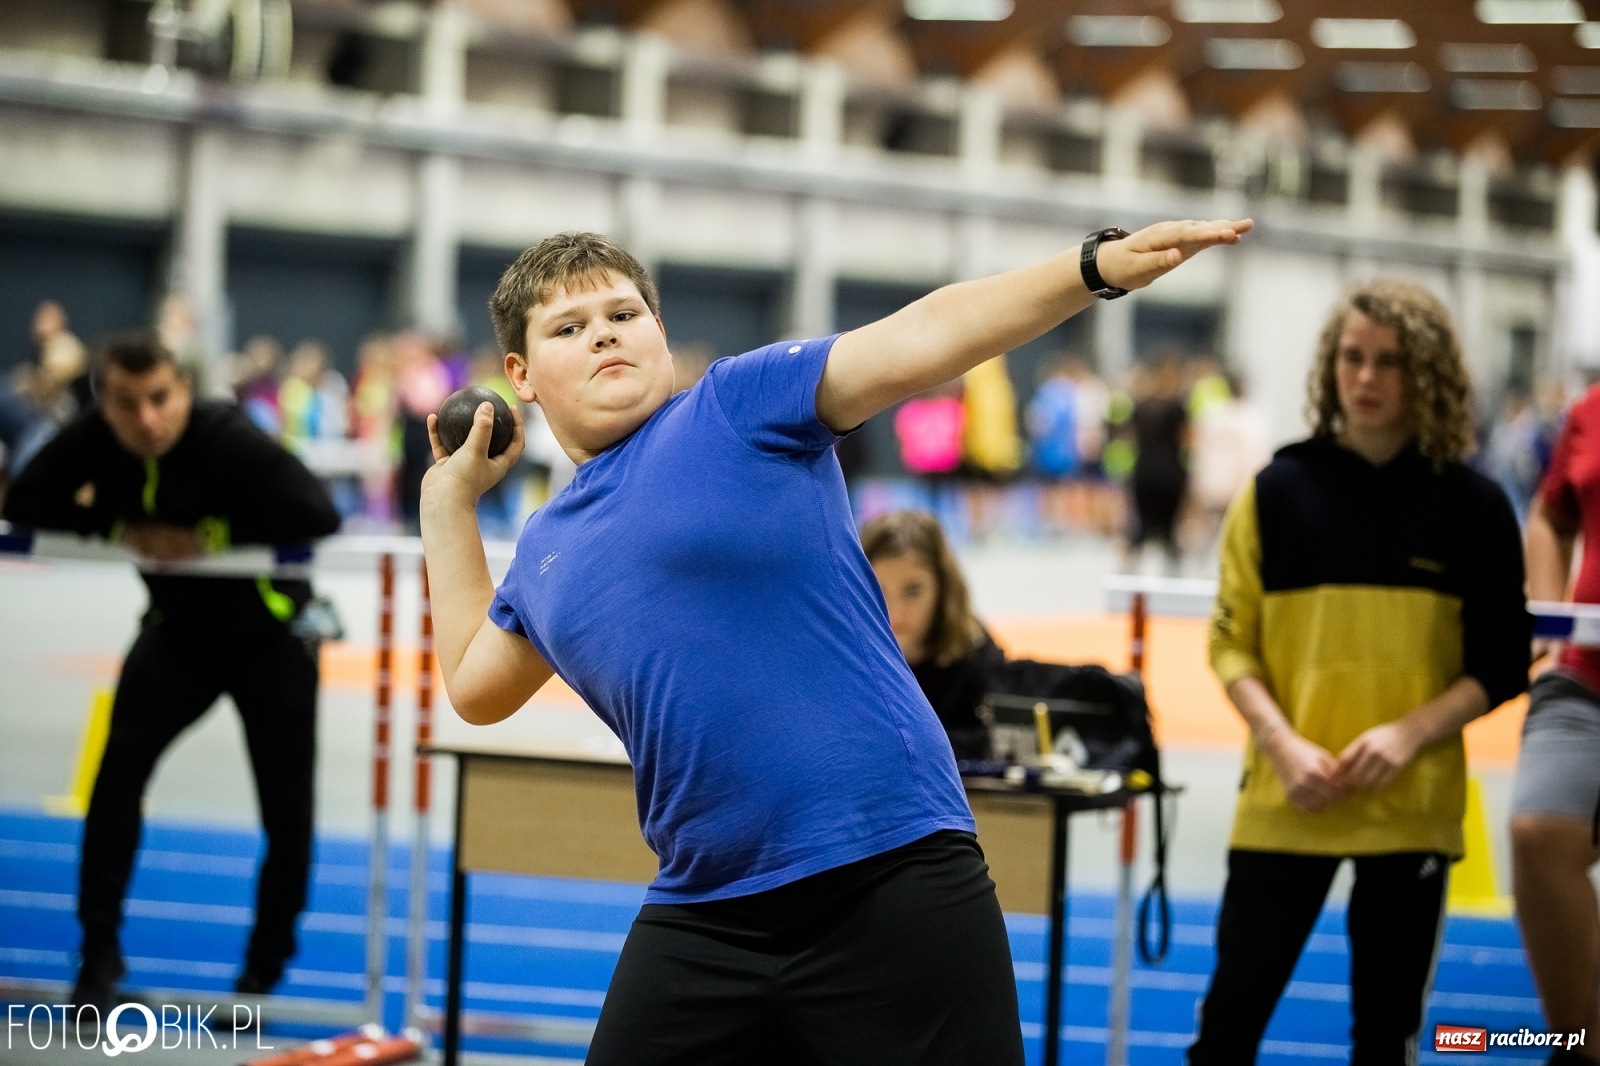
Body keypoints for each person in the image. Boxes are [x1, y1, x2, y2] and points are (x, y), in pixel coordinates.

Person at [420, 220, 1249, 1063]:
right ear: (518, 376)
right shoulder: (546, 550)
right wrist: (446, 500)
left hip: (890, 873)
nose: (602, 333)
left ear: (660, 333)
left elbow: (924, 336)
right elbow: (474, 686)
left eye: (624, 314)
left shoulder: (736, 406)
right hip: (706, 909)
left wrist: (1091, 268)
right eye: (567, 328)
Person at [1192, 281, 1530, 1064]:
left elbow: (1503, 659)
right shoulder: (1274, 492)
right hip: (1286, 795)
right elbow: (1229, 641)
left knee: (1385, 1040)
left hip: (1410, 806)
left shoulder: (1475, 507)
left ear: (1429, 376)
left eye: (1390, 362)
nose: (1367, 378)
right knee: (1225, 1032)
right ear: (1329, 366)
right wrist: (1283, 745)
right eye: (1352, 357)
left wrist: (1410, 733)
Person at [2, 332, 341, 1010]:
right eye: (127, 404)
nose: (147, 419)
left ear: (184, 390)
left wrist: (204, 537)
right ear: (105, 403)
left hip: (270, 639)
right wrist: (117, 527)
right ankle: (99, 955)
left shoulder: (227, 437)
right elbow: (25, 504)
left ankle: (261, 975)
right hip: (177, 636)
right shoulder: (98, 438)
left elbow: (318, 511)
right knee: (115, 779)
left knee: (288, 812)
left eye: (160, 399)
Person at [1513, 382, 1600, 1066]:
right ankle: (1577, 1043)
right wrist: (1547, 620)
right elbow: (1549, 517)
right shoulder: (1589, 411)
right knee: (1537, 828)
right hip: (1585, 675)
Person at [861, 510, 1003, 761]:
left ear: (943, 588)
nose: (896, 610)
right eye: (878, 590)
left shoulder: (975, 654)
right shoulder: (849, 657)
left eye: (913, 590)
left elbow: (994, 746)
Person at [1125, 354, 1190, 573]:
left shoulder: (1142, 404)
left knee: (1150, 527)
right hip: (1165, 472)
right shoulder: (1177, 406)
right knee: (1160, 527)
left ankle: (1133, 571)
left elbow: (1128, 435)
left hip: (1148, 471)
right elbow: (1187, 440)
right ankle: (1169, 574)